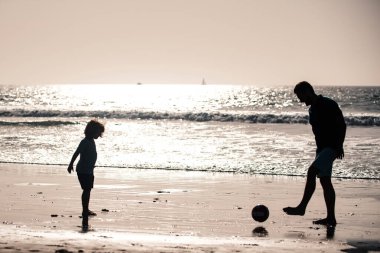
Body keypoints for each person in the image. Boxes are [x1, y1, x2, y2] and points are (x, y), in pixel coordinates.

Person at [283, 81, 346, 227]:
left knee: (311, 172)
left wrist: (339, 146)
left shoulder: (328, 104)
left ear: (307, 92)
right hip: (322, 149)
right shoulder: (312, 110)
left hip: (331, 147)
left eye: (300, 96)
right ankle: (331, 218)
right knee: (325, 181)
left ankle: (302, 208)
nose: (300, 100)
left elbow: (341, 125)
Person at [68, 119, 105, 230]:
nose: (100, 135)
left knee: (88, 189)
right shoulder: (85, 142)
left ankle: (86, 209)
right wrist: (70, 164)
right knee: (86, 189)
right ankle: (85, 210)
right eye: (99, 133)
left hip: (88, 170)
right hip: (83, 170)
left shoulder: (91, 141)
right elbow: (77, 153)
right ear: (92, 131)